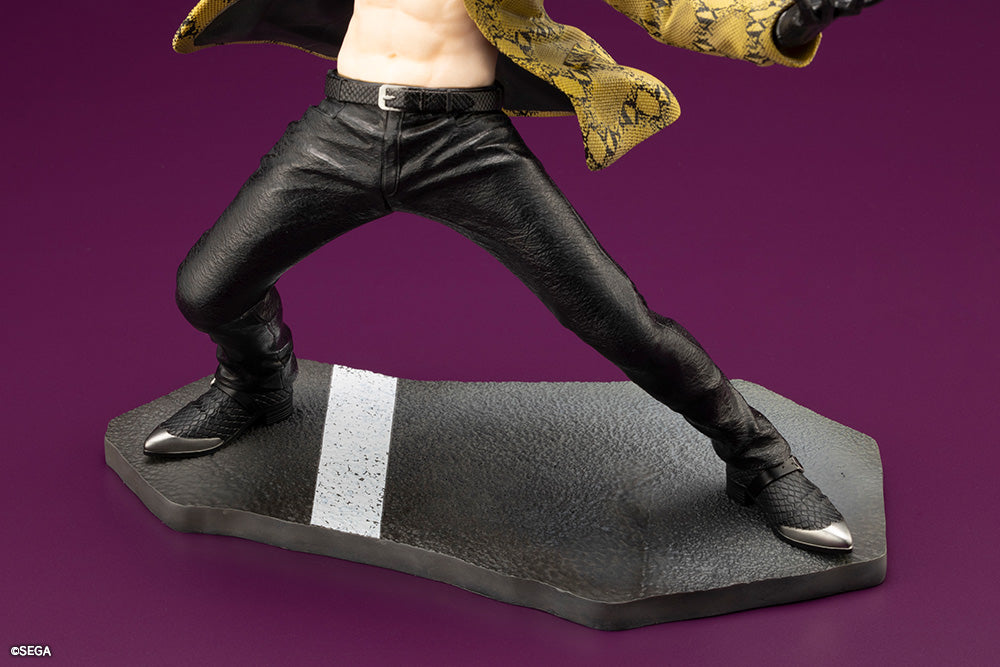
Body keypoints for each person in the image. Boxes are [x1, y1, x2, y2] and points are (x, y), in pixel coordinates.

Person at [145, 0, 881, 553]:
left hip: (465, 143)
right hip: (344, 126)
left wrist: (783, 22)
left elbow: (668, 3)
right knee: (207, 289)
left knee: (618, 320)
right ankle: (257, 384)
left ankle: (760, 460)